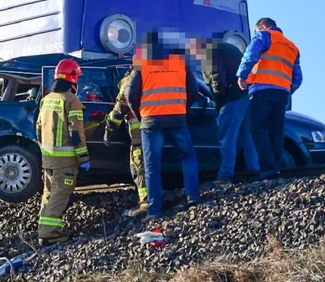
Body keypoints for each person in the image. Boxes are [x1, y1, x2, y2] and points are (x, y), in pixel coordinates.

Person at [124, 33, 200, 221]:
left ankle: (155, 210)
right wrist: (183, 107)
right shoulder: (181, 62)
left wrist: (140, 113)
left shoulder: (142, 64)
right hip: (177, 118)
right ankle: (192, 197)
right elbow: (194, 90)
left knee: (151, 166)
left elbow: (129, 94)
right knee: (188, 157)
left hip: (151, 121)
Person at [237, 17, 302, 180]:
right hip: (281, 94)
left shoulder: (264, 36)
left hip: (261, 90)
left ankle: (267, 167)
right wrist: (286, 89)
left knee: (256, 128)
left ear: (264, 27)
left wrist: (242, 75)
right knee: (276, 131)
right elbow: (298, 78)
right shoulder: (292, 47)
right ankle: (276, 168)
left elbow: (250, 55)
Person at [189, 38, 260, 185]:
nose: (193, 56)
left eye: (193, 52)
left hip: (231, 98)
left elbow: (217, 77)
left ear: (197, 47)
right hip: (245, 95)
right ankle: (255, 170)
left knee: (227, 138)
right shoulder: (224, 47)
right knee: (247, 137)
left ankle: (225, 175)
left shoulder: (209, 53)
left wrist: (219, 101)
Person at [35, 58, 90, 245]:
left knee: (49, 194)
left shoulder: (46, 100)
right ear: (73, 78)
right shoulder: (72, 101)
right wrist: (83, 157)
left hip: (48, 158)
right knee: (60, 195)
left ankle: (44, 229)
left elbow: (38, 128)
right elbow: (76, 133)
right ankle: (49, 234)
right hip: (65, 161)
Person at [104, 61, 146, 217]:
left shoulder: (131, 79)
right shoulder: (154, 75)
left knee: (140, 168)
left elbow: (120, 107)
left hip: (139, 135)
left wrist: (109, 128)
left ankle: (147, 203)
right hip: (157, 129)